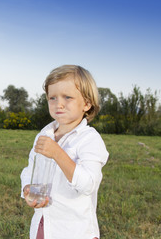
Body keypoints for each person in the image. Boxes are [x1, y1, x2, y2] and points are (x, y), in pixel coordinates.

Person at [20, 65, 109, 239]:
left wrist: (58, 153)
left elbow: (88, 184)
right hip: (44, 227)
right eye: (52, 98)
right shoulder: (44, 134)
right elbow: (31, 169)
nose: (58, 104)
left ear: (87, 103)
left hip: (74, 231)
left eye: (67, 97)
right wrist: (27, 189)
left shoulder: (90, 139)